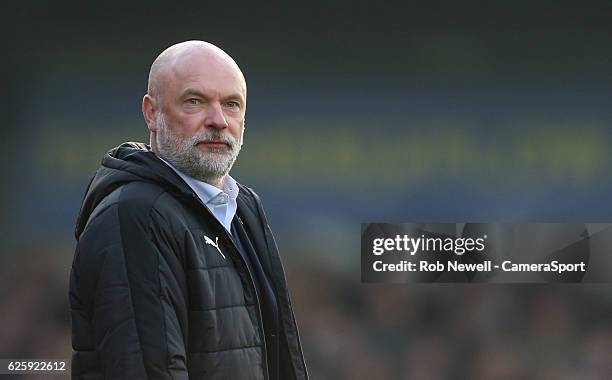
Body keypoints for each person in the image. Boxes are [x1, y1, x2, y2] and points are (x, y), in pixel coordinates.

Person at [69, 40, 308, 380]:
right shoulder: (136, 214)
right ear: (152, 113)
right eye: (195, 101)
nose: (218, 121)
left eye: (232, 104)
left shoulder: (243, 209)